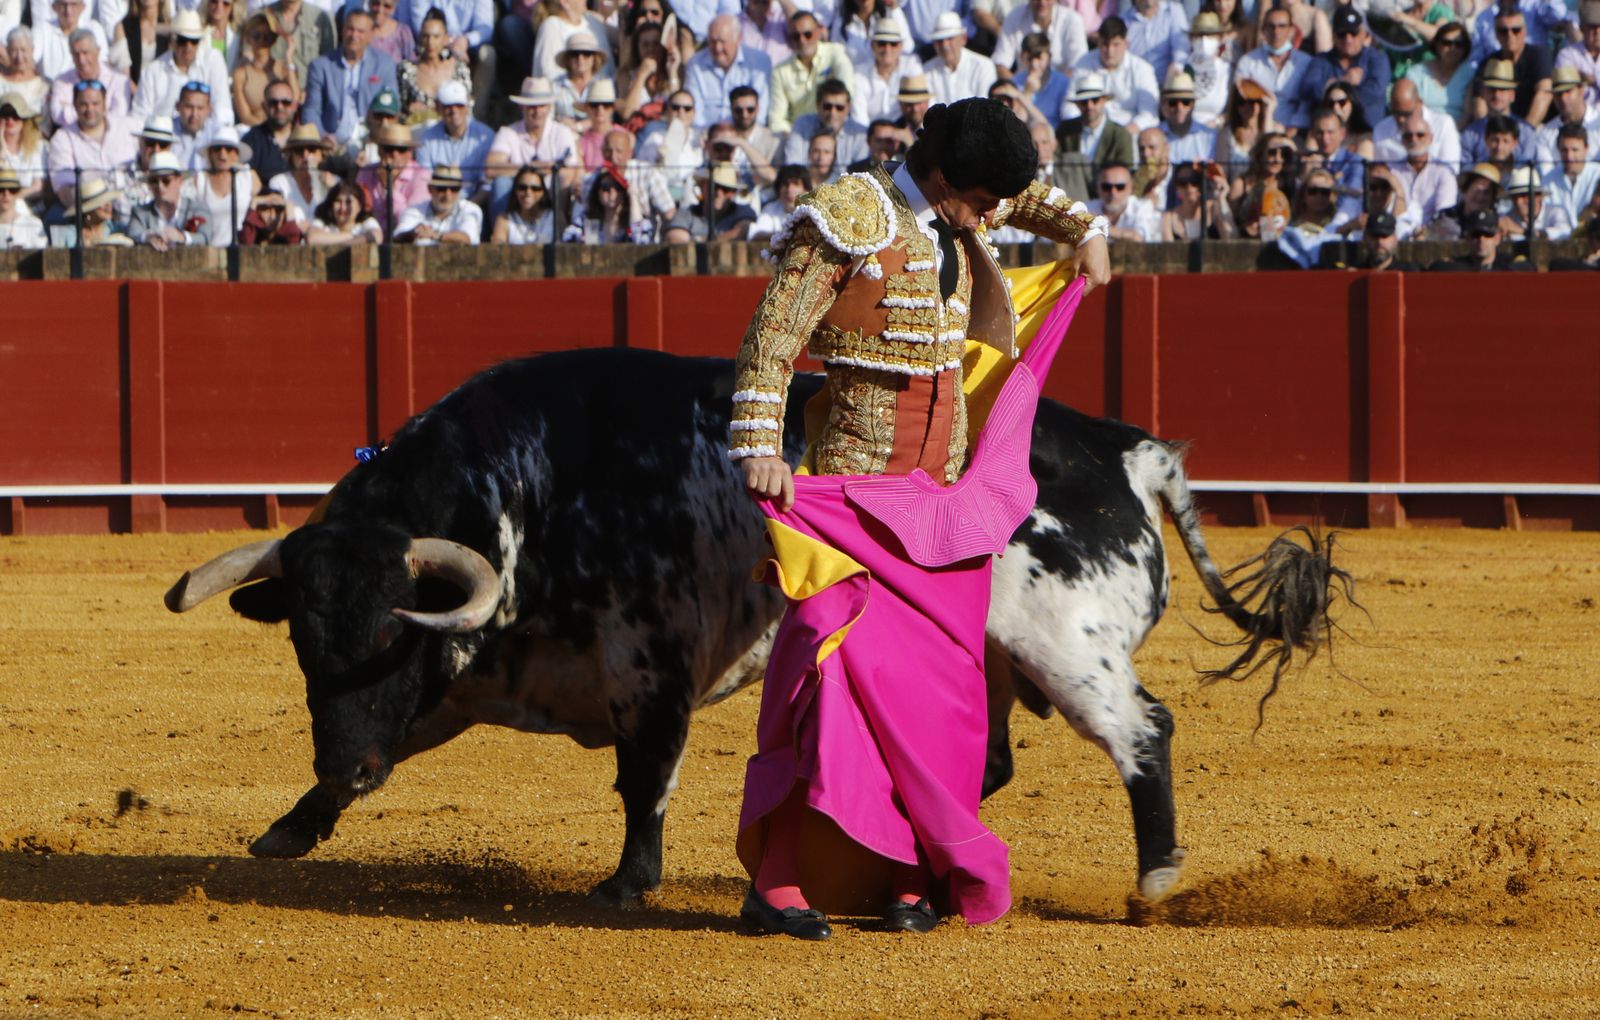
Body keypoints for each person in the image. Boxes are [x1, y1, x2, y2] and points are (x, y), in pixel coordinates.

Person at [728, 96, 1108, 941]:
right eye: (979, 202)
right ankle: (778, 882)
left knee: (935, 705)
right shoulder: (850, 216)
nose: (989, 217)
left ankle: (908, 878)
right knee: (822, 690)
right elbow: (772, 338)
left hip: (939, 510)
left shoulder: (962, 201)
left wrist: (1087, 227)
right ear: (942, 178)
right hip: (851, 503)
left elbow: (1030, 200)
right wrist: (759, 440)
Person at [487, 76, 582, 212]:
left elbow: (570, 170)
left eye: (541, 106)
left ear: (549, 108)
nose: (537, 112)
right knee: (500, 184)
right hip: (517, 197)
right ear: (522, 107)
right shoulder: (508, 132)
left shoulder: (561, 132)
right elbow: (491, 168)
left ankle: (558, 229)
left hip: (550, 195)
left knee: (563, 182)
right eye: (532, 106)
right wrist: (533, 169)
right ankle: (501, 230)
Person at [304, 10, 397, 148]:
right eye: (350, 29)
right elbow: (311, 110)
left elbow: (393, 107)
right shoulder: (321, 66)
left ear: (370, 35)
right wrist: (322, 137)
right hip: (331, 143)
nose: (354, 35)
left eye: (360, 31)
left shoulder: (384, 65)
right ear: (342, 31)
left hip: (371, 142)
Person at [47, 78, 137, 213]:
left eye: (95, 103)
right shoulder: (62, 139)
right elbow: (64, 190)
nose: (90, 109)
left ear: (105, 104)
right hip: (90, 213)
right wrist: (95, 207)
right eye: (83, 104)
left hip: (134, 207)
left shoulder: (129, 127)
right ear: (75, 106)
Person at [1295, 6, 1390, 134]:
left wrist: (1333, 92)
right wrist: (1344, 81)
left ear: (1363, 34)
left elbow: (1374, 91)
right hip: (1327, 135)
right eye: (1342, 34)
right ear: (1333, 35)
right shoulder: (1321, 60)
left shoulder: (1377, 59)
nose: (1348, 39)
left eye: (1353, 33)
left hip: (1367, 133)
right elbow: (1308, 89)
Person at [130, 10, 233, 127]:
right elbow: (139, 117)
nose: (188, 46)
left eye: (194, 41)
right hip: (162, 139)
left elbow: (223, 110)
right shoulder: (152, 71)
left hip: (204, 136)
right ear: (172, 41)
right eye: (182, 40)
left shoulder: (213, 60)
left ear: (200, 42)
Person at [1052, 70, 1132, 201]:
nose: (1089, 106)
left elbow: (1125, 172)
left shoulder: (1120, 135)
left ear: (1103, 100)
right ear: (1077, 104)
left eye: (1094, 100)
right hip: (1072, 200)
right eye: (1084, 102)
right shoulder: (1065, 130)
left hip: (1109, 198)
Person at [769, 10, 852, 132]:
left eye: (807, 34)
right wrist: (795, 136)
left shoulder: (836, 53)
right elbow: (776, 119)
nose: (802, 41)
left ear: (819, 32)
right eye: (796, 36)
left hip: (834, 128)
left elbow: (847, 91)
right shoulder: (780, 71)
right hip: (798, 134)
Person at [684, 14, 772, 128]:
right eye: (713, 42)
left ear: (738, 38)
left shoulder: (759, 62)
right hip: (706, 135)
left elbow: (760, 111)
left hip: (746, 132)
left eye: (722, 42)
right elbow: (695, 111)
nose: (718, 48)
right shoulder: (695, 64)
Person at [1070, 15, 1158, 130]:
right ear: (1098, 42)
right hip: (1090, 129)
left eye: (1116, 45)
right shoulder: (1083, 63)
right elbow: (1069, 105)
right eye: (1105, 45)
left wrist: (1123, 136)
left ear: (1126, 44)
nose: (1110, 51)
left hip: (1130, 134)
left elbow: (1149, 114)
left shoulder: (1142, 69)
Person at [1236, 4, 1312, 134]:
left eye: (1282, 26)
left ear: (1291, 30)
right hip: (1257, 131)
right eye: (1271, 26)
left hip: (1297, 133)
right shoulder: (1248, 62)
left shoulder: (1305, 62)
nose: (1276, 32)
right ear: (1264, 30)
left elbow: (1308, 103)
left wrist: (1293, 129)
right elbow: (1240, 99)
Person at [416, 78, 493, 203]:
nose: (454, 111)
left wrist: (468, 208)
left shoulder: (485, 136)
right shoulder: (427, 139)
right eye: (448, 106)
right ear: (438, 108)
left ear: (467, 107)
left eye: (459, 105)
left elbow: (486, 185)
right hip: (436, 202)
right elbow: (424, 181)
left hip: (474, 203)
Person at [181, 124, 257, 245]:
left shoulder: (248, 177)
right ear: (210, 153)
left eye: (228, 149)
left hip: (242, 252)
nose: (222, 154)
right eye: (217, 149)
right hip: (208, 253)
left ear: (237, 154)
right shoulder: (198, 181)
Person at [1483, 5, 1555, 126]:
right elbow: (1479, 99)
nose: (1510, 35)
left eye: (1516, 30)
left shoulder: (1539, 55)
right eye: (1503, 31)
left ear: (1524, 32)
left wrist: (1525, 132)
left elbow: (1544, 93)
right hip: (1500, 131)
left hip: (1539, 127)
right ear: (1496, 34)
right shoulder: (1490, 62)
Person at [48, 27, 132, 129]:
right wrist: (100, 112)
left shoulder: (119, 80)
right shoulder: (61, 81)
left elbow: (118, 117)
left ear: (97, 51)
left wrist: (72, 110)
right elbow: (57, 115)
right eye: (76, 54)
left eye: (85, 53)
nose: (81, 60)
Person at [1389, 111, 1459, 227]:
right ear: (1401, 140)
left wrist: (1425, 232)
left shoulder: (1444, 172)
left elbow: (1444, 215)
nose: (1414, 139)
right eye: (1408, 136)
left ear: (1431, 138)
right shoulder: (1392, 171)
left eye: (1420, 135)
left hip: (1433, 238)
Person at [1371, 77, 1461, 167]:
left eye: (1406, 113)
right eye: (1396, 113)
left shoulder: (1443, 125)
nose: (1401, 119)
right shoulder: (1381, 130)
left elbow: (1451, 169)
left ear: (1420, 103)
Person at [399, 10, 471, 122]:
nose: (430, 42)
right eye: (425, 36)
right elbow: (401, 109)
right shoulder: (407, 69)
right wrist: (409, 110)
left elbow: (467, 106)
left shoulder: (458, 68)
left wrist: (433, 110)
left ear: (445, 38)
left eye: (436, 37)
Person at [990, 0, 1087, 82]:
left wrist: (1054, 90)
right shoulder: (1014, 17)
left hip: (1061, 92)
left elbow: (1078, 66)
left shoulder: (1072, 20)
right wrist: (1017, 92)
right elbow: (1000, 64)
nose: (1042, 2)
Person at [779, 77, 868, 166]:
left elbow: (861, 173)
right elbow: (793, 165)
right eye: (827, 107)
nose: (833, 113)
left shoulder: (860, 134)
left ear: (848, 108)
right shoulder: (802, 125)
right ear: (817, 105)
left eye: (839, 108)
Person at [358, 121, 429, 232]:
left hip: (405, 240)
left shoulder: (421, 176)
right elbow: (360, 211)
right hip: (370, 236)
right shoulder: (366, 172)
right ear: (379, 150)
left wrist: (388, 186)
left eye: (401, 149)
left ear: (410, 152)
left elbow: (410, 221)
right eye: (389, 149)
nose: (395, 154)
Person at [1460, 59, 1535, 164]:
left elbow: (1526, 171)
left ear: (1512, 95)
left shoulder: (1526, 132)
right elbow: (1465, 172)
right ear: (1483, 92)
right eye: (1492, 89)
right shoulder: (1470, 134)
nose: (1497, 95)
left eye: (1503, 90)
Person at [1402, 21, 1476, 125]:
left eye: (1459, 44)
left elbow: (1468, 115)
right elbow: (1409, 110)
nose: (1452, 48)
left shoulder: (1470, 74)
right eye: (1446, 43)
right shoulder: (1416, 73)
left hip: (1458, 132)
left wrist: (1448, 134)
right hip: (1421, 131)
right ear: (1436, 44)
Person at [232, 12, 297, 129]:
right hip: (254, 131)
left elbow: (295, 100)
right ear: (248, 38)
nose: (261, 41)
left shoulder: (283, 68)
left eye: (267, 37)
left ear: (274, 40)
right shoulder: (241, 74)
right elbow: (245, 117)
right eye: (256, 35)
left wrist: (289, 59)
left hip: (283, 128)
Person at [663, 161, 756, 240]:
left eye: (726, 189)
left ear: (734, 193)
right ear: (702, 186)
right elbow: (675, 239)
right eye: (714, 186)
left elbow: (743, 231)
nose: (719, 194)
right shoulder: (685, 214)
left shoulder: (743, 212)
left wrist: (701, 241)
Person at [128, 149, 202, 248]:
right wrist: (148, 237)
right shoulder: (140, 212)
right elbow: (132, 234)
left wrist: (182, 237)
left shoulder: (197, 209)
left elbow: (205, 237)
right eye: (154, 181)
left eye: (166, 181)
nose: (160, 186)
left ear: (179, 181)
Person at [394, 162, 481, 243]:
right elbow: (397, 237)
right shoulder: (414, 210)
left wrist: (436, 235)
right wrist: (414, 233)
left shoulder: (470, 209)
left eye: (454, 189)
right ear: (430, 189)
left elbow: (467, 238)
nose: (448, 195)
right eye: (441, 189)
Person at [853, 22, 921, 127]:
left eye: (893, 44)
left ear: (901, 46)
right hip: (871, 136)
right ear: (872, 45)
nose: (887, 49)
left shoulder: (912, 65)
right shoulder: (859, 74)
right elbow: (859, 118)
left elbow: (921, 105)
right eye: (882, 44)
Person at [1426, 205, 1534, 270]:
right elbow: (1436, 267)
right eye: (1476, 235)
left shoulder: (1509, 264)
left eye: (1487, 235)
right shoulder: (1456, 265)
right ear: (1467, 238)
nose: (1481, 240)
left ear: (1497, 238)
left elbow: (1529, 268)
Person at [923, 11, 995, 106]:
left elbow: (984, 107)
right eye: (939, 41)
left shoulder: (983, 66)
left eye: (949, 38)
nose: (945, 45)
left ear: (963, 38)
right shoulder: (927, 70)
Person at [266, 0, 335, 95]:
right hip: (271, 98)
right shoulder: (263, 16)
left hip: (309, 97)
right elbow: (248, 61)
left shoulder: (322, 18)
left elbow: (329, 67)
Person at [1536, 66, 1600, 166]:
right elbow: (1546, 174)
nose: (1563, 98)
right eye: (1558, 94)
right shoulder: (1546, 134)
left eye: (1568, 91)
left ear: (1581, 90)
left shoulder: (1598, 124)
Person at [33, 0, 109, 83]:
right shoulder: (42, 29)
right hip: (50, 89)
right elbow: (30, 61)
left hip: (87, 88)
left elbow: (103, 64)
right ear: (54, 7)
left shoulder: (94, 28)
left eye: (73, 5)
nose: (68, 10)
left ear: (82, 7)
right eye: (63, 5)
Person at [270, 121, 331, 223]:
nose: (305, 156)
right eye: (299, 150)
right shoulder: (279, 183)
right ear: (291, 156)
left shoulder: (333, 183)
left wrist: (332, 188)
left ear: (321, 155)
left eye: (311, 149)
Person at [1423, 161, 1501, 239]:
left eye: (1486, 193)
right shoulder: (1445, 217)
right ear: (1465, 190)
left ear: (1492, 198)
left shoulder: (1497, 223)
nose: (1480, 197)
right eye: (1476, 191)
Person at [240, 75, 296, 182]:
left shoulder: (305, 138)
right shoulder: (252, 140)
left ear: (294, 106)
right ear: (264, 106)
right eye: (273, 103)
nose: (279, 107)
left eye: (285, 102)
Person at [1543, 122, 1600, 226]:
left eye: (1575, 150)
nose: (1569, 156)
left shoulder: (1598, 175)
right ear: (1558, 150)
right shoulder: (1547, 181)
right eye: (1564, 150)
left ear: (1586, 149)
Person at [1010, 31, 1069, 128]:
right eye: (1029, 59)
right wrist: (1027, 92)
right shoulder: (1015, 82)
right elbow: (1016, 125)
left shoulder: (1063, 83)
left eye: (1039, 58)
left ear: (1049, 57)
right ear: (1022, 57)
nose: (1034, 64)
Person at [1160, 160, 1234, 238]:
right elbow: (1168, 248)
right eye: (1183, 182)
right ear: (1176, 187)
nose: (1189, 187)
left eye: (1194, 181)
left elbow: (1231, 237)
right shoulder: (1169, 218)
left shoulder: (1214, 209)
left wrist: (1221, 199)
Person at [1122, 0, 1189, 85]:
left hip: (1168, 85)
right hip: (1135, 86)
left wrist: (1176, 68)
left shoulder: (1173, 11)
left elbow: (1181, 48)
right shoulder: (1123, 20)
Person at [552, 29, 609, 128]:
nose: (580, 58)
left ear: (594, 58)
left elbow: (608, 119)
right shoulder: (555, 86)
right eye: (575, 54)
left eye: (586, 53)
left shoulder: (604, 84)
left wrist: (578, 126)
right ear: (568, 59)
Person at [1500, 163, 1572, 241]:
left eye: (1524, 195)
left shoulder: (1555, 212)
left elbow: (1564, 232)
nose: (1519, 202)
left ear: (1539, 196)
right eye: (1514, 197)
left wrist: (1523, 232)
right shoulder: (1508, 218)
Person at [563, 162, 633, 242]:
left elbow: (641, 240)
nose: (612, 192)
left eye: (617, 187)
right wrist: (583, 240)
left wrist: (633, 197)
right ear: (597, 191)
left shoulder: (631, 219)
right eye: (606, 186)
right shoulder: (586, 218)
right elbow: (567, 237)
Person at [1185, 10, 1232, 127]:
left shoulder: (1227, 70)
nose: (1204, 40)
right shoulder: (1180, 67)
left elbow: (1233, 110)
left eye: (1210, 35)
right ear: (1191, 38)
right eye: (1199, 35)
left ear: (1220, 38)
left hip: (1216, 129)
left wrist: (1217, 122)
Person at [1090, 159, 1157, 240]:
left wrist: (1100, 228)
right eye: (1106, 187)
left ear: (1131, 188)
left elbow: (1139, 237)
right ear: (1097, 188)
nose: (1113, 192)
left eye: (1120, 187)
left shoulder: (1143, 207)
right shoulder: (1087, 208)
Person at [1157, 69, 1215, 163]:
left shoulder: (1210, 137)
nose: (1179, 108)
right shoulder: (1153, 136)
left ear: (1193, 104)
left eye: (1185, 102)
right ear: (1164, 105)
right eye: (1173, 103)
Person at [0, 91, 46, 207]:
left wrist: (13, 199)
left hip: (32, 206)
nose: (10, 120)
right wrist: (2, 144)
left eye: (16, 115)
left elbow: (37, 186)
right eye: (5, 115)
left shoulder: (37, 147)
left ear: (24, 120)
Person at [490, 165, 557, 242]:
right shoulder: (504, 220)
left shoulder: (554, 218)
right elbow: (498, 249)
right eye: (522, 188)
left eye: (535, 189)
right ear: (515, 190)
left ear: (543, 192)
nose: (528, 193)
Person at [307, 177, 383, 242]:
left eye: (348, 202)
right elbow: (312, 238)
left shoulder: (367, 223)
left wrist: (329, 240)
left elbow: (376, 237)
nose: (343, 207)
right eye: (338, 201)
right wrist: (354, 237)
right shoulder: (323, 223)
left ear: (359, 206)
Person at [1556, 0, 1600, 112]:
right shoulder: (1567, 55)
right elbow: (1566, 91)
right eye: (1592, 27)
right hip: (1580, 119)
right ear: (1582, 28)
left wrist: (1594, 80)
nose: (1597, 31)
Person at [2, 29, 49, 122]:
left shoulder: (43, 86)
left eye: (23, 50)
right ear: (7, 51)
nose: (19, 57)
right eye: (14, 51)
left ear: (32, 50)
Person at [748, 160, 804, 239]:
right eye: (785, 184)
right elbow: (755, 235)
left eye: (796, 184)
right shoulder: (770, 209)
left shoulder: (815, 211)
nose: (789, 190)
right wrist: (785, 235)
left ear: (806, 190)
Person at [238, 180, 305, 242]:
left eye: (278, 211)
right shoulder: (251, 232)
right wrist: (255, 202)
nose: (272, 216)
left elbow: (293, 243)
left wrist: (289, 209)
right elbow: (247, 241)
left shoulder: (286, 236)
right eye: (266, 209)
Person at [0, 166, 45, 247]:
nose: (6, 194)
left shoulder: (33, 224)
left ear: (18, 192)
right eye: (1, 189)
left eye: (12, 189)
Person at [366, 0, 415, 65]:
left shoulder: (402, 32)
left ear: (393, 9)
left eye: (387, 6)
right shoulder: (360, 31)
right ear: (369, 4)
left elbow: (411, 62)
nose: (380, 10)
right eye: (376, 4)